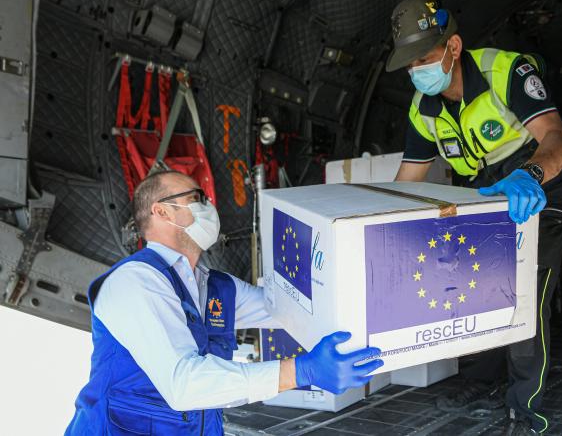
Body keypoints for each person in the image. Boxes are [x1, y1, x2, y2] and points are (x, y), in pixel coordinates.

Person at [387, 0, 562, 435]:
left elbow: (559, 138)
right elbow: (406, 183)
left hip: (542, 185)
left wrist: (529, 176)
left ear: (453, 46)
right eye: (408, 63)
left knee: (526, 289)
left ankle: (524, 406)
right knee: (478, 287)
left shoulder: (505, 71)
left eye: (424, 57)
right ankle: (478, 379)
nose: (416, 70)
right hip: (488, 195)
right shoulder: (424, 111)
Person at [65, 170, 383, 435]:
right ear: (161, 211)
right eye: (196, 198)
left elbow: (288, 308)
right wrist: (301, 372)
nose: (208, 206)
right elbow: (185, 384)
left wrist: (367, 285)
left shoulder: (216, 286)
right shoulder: (135, 282)